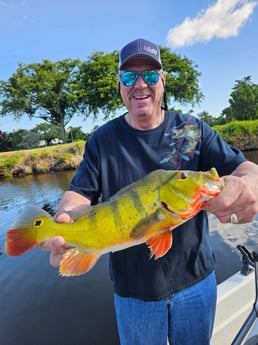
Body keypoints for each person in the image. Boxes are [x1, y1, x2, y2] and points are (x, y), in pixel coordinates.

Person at [40, 38, 258, 345]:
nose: (140, 84)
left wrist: (249, 186)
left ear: (163, 81)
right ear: (119, 85)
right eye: (129, 77)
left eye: (150, 75)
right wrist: (64, 218)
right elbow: (78, 195)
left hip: (196, 282)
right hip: (134, 295)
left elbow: (246, 169)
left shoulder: (192, 131)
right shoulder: (102, 141)